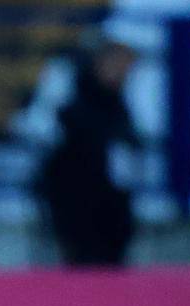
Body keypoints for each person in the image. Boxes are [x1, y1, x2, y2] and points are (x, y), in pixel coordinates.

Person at [39, 37, 139, 265]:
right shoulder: (73, 106)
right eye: (115, 65)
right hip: (77, 208)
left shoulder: (120, 107)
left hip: (111, 212)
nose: (121, 73)